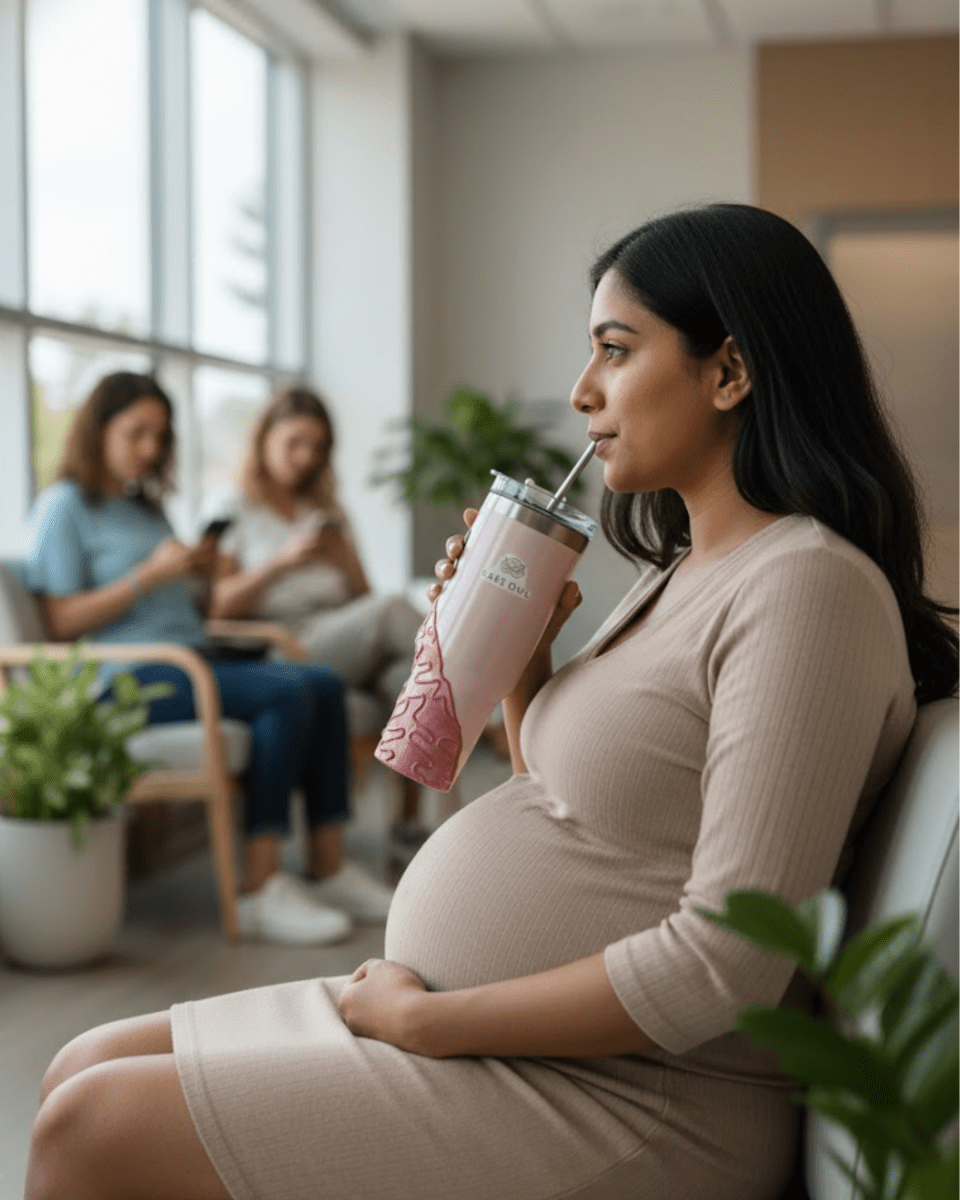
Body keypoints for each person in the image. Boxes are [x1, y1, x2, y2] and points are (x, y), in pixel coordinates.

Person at [24, 205, 958, 1200]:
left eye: (615, 349)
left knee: (93, 1125)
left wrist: (426, 1023)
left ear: (729, 371)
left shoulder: (806, 588)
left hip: (638, 1098)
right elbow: (575, 811)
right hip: (510, 1037)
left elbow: (728, 962)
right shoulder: (683, 571)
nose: (581, 390)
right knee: (76, 1066)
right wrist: (526, 672)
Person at [24, 372, 393, 949]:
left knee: (318, 684)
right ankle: (259, 888)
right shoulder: (64, 506)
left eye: (160, 437)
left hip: (187, 659)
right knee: (287, 690)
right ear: (97, 431)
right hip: (122, 681)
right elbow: (59, 622)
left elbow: (187, 609)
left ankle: (328, 867)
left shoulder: (145, 510)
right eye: (136, 433)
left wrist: (199, 574)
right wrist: (149, 576)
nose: (149, 449)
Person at [206, 386, 428, 846]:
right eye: (294, 443)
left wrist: (344, 556)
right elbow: (217, 606)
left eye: (317, 447)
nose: (304, 457)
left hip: (340, 636)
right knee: (394, 613)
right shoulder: (235, 512)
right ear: (264, 438)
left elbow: (362, 600)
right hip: (282, 646)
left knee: (405, 678)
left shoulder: (329, 514)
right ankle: (481, 707)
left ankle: (407, 824)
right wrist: (280, 563)